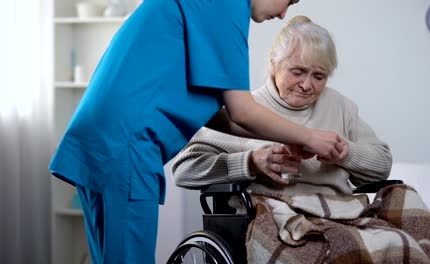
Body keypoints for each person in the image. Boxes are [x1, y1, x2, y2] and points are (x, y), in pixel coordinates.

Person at [48, 1, 350, 263]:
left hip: (101, 139)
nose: (284, 14)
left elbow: (224, 116)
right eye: (290, 1)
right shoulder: (227, 4)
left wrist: (289, 136)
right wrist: (309, 136)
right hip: (125, 146)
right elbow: (242, 111)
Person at [172, 15, 393, 196]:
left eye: (319, 76)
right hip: (273, 220)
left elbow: (381, 168)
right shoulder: (246, 109)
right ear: (274, 64)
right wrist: (250, 163)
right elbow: (183, 170)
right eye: (297, 72)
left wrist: (345, 153)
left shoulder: (340, 107)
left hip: (338, 216)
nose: (307, 85)